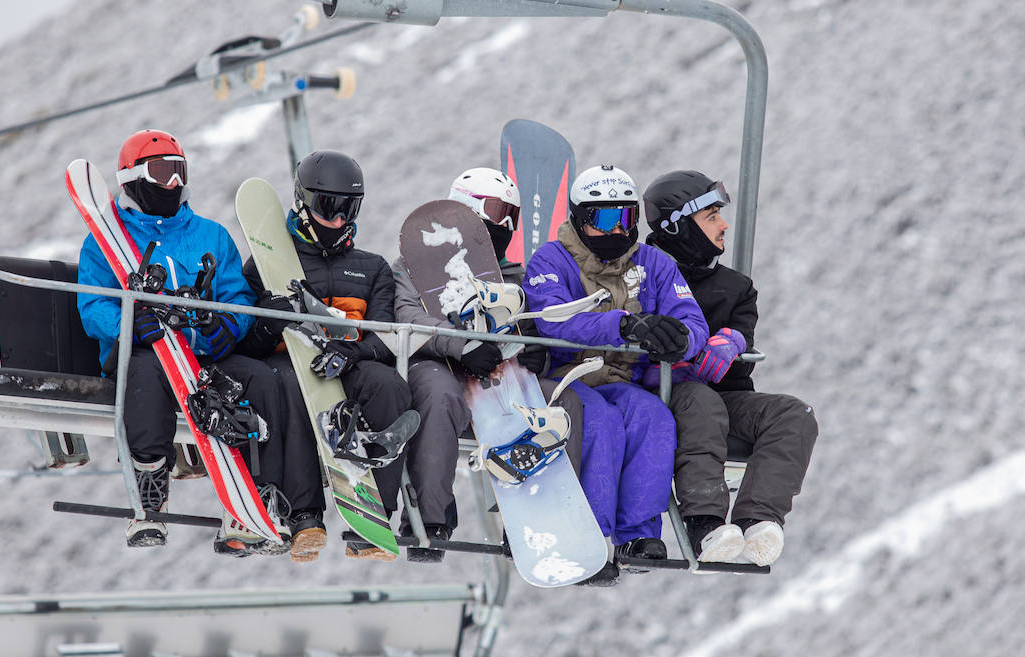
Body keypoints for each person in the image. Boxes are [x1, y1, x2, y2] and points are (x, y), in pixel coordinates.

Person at [76, 129, 298, 556]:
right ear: (133, 178)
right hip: (146, 350)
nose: (173, 184)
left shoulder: (210, 235)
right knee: (145, 375)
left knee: (262, 379)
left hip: (203, 354)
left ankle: (256, 498)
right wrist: (129, 323)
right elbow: (92, 308)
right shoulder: (105, 242)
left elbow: (236, 295)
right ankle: (149, 492)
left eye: (179, 172)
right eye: (162, 173)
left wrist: (226, 327)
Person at [389, 168, 585, 563]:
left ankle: (540, 517)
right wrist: (465, 345)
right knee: (439, 397)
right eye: (498, 212)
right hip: (436, 364)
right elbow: (407, 316)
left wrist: (535, 351)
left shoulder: (513, 277)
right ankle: (430, 517)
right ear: (462, 211)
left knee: (563, 403)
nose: (508, 226)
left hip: (497, 379)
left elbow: (534, 325)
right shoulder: (412, 268)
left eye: (513, 214)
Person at [523, 164, 709, 579]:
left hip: (620, 381)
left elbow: (692, 322)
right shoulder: (551, 260)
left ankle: (638, 535)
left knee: (653, 417)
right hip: (562, 376)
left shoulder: (653, 265)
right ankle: (589, 531)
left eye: (625, 218)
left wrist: (678, 339)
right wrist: (623, 324)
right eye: (604, 219)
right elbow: (555, 318)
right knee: (598, 421)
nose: (616, 230)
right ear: (578, 218)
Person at [236, 150, 414, 562]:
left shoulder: (372, 268)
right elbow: (242, 345)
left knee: (389, 386)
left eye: (348, 209)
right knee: (292, 387)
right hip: (288, 359)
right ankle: (304, 514)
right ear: (304, 201)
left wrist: (350, 354)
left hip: (349, 360)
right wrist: (266, 325)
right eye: (327, 207)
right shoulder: (266, 263)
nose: (337, 221)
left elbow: (383, 337)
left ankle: (377, 514)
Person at [642, 170, 818, 566]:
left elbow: (742, 328)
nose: (723, 225)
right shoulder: (641, 274)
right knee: (702, 403)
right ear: (677, 226)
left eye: (720, 215)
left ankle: (758, 517)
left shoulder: (735, 287)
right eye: (711, 217)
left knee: (793, 414)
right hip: (663, 397)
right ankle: (704, 522)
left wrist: (735, 340)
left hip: (724, 399)